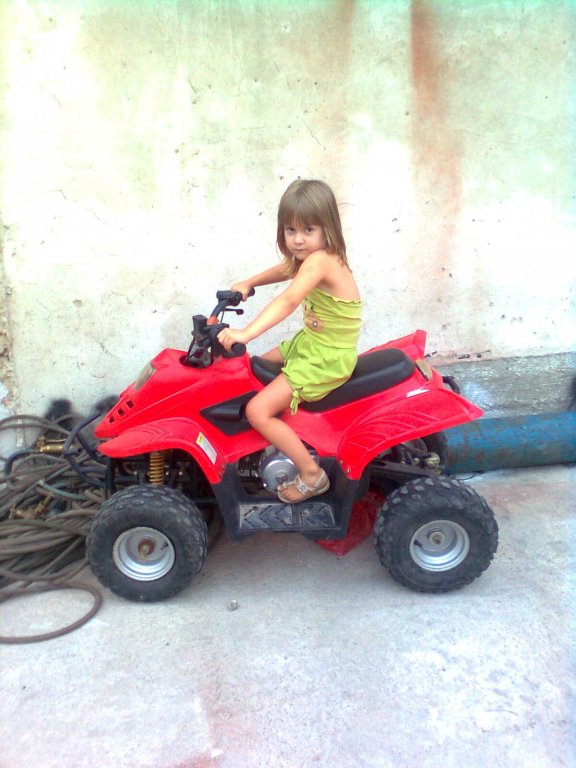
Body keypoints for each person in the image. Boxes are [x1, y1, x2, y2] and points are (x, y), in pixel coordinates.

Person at [217, 179, 362, 503]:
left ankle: (311, 474)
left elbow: (289, 300)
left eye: (308, 229)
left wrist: (245, 333)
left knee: (257, 410)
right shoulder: (314, 257)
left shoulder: (321, 261)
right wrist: (250, 282)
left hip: (325, 358)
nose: (297, 239)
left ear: (327, 228)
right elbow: (287, 268)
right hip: (312, 345)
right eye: (290, 229)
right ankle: (267, 446)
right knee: (256, 368)